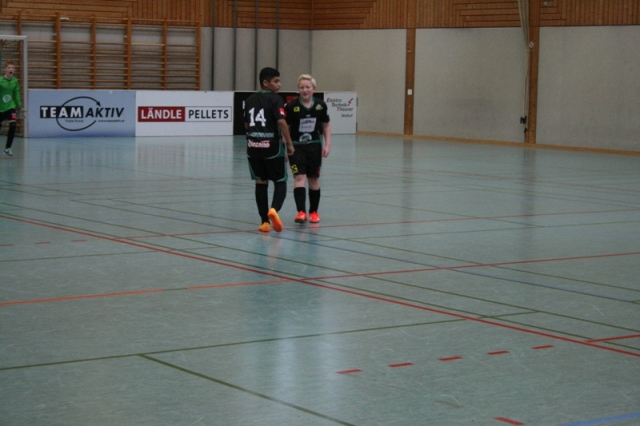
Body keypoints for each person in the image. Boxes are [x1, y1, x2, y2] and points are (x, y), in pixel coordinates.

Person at [244, 67, 295, 233]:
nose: (279, 84)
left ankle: (264, 223)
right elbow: (281, 121)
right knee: (280, 181)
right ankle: (274, 209)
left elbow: (246, 124)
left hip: (253, 148)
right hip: (271, 147)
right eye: (276, 81)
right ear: (265, 83)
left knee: (260, 182)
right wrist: (289, 143)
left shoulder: (250, 100)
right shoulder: (276, 99)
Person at [285, 74, 331, 224]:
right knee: (299, 177)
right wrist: (286, 147)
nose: (305, 90)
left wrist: (327, 145)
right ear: (298, 89)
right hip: (296, 147)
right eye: (302, 87)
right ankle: (301, 212)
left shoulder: (320, 105)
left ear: (314, 89)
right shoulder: (291, 106)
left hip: (314, 147)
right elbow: (285, 128)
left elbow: (326, 125)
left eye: (308, 87)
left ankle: (314, 212)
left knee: (313, 178)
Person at [1, 60, 22, 157]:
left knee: (13, 124)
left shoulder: (15, 81)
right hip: (1, 107)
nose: (11, 69)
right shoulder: (0, 81)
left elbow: (16, 93)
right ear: (5, 69)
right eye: (9, 67)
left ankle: (8, 148)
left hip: (10, 106)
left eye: (13, 68)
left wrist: (19, 105)